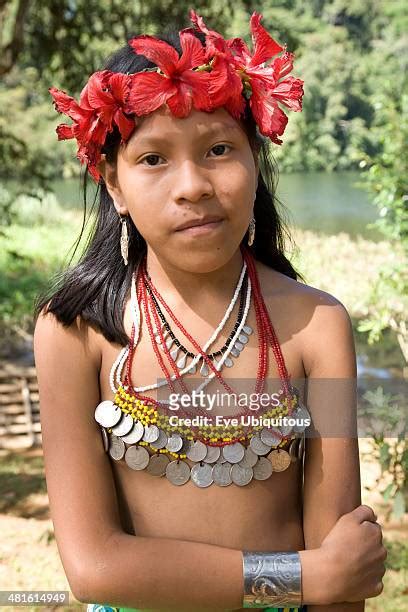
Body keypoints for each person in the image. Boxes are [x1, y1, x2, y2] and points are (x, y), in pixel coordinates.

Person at [33, 10, 387, 612]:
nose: (192, 184)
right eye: (152, 159)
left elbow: (342, 573)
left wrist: (326, 580)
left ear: (256, 162)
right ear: (113, 186)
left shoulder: (317, 328)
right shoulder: (76, 333)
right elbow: (94, 567)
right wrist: (300, 578)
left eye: (219, 148)